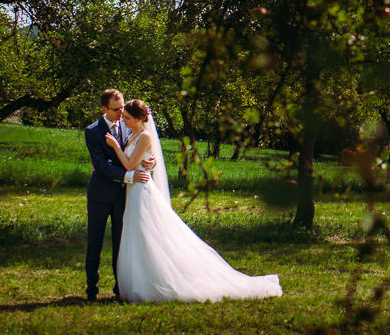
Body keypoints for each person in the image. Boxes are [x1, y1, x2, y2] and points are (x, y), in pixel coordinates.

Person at [103, 99, 283, 302]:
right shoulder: (133, 133)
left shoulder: (144, 136)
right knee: (137, 235)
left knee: (146, 234)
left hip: (141, 191)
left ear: (138, 119)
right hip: (133, 190)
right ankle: (138, 280)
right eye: (124, 117)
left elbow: (129, 164)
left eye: (127, 118)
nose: (124, 121)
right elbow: (141, 160)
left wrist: (117, 147)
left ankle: (152, 282)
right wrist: (147, 161)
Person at [84, 89, 155, 302]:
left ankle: (119, 288)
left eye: (123, 108)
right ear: (104, 109)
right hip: (100, 193)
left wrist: (151, 162)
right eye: (116, 110)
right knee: (94, 242)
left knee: (121, 243)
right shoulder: (93, 131)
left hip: (122, 196)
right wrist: (129, 176)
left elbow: (140, 149)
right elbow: (102, 166)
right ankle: (91, 290)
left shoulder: (128, 124)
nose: (121, 113)